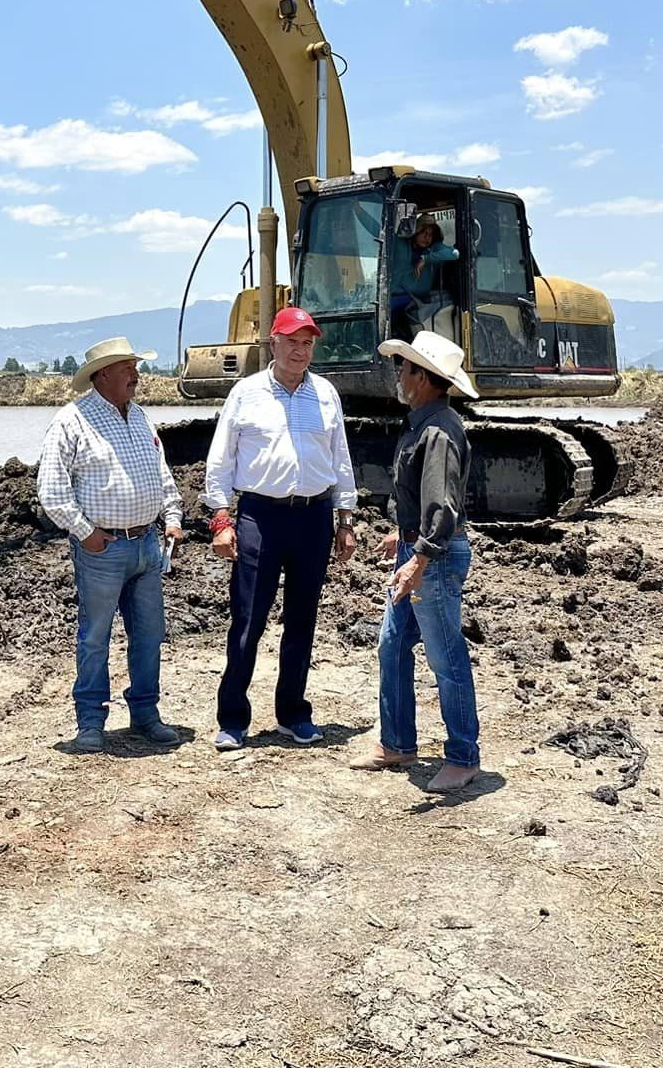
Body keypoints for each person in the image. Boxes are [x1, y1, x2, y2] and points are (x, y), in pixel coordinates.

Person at [202, 306, 358, 750]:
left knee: (302, 621)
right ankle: (233, 718)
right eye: (292, 341)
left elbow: (340, 459)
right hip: (260, 518)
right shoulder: (246, 393)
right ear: (274, 342)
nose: (300, 350)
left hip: (313, 516)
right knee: (248, 620)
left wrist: (345, 520)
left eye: (307, 343)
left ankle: (293, 714)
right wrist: (221, 520)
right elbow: (221, 460)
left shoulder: (326, 394)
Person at [36, 336, 184, 752]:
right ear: (103, 375)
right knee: (95, 636)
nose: (137, 376)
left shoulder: (139, 417)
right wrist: (86, 533)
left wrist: (172, 517)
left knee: (150, 634)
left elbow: (161, 473)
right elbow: (51, 489)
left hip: (146, 545)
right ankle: (90, 722)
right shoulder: (72, 421)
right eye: (128, 369)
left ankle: (145, 713)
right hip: (103, 549)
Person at [354, 329, 481, 790]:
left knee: (446, 656)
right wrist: (402, 535)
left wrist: (419, 557)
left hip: (435, 559)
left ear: (423, 377)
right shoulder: (423, 425)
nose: (399, 376)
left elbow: (442, 504)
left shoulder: (439, 431)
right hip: (418, 550)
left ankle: (464, 757)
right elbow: (420, 496)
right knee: (392, 645)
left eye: (404, 369)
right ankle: (398, 743)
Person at [389, 211, 459, 338]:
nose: (427, 238)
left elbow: (454, 254)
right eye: (424, 233)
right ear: (416, 231)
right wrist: (358, 210)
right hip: (394, 297)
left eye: (431, 235)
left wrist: (426, 259)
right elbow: (377, 230)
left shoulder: (434, 248)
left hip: (420, 303)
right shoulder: (400, 243)